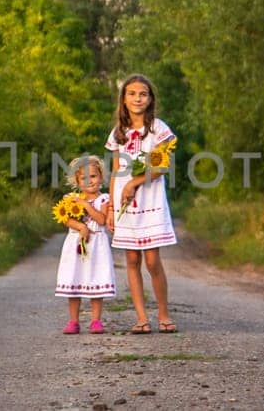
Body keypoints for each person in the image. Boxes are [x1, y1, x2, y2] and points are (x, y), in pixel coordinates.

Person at [106, 74, 179, 334]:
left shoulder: (158, 129)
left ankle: (164, 314)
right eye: (132, 94)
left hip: (149, 198)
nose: (138, 98)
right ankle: (141, 318)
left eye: (143, 94)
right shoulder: (118, 132)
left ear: (150, 100)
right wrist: (111, 209)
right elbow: (115, 171)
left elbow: (160, 166)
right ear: (123, 99)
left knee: (151, 261)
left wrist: (134, 182)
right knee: (132, 260)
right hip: (124, 202)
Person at [54, 156, 116, 334]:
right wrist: (81, 226)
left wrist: (85, 205)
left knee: (96, 279)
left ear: (101, 177)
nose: (90, 181)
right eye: (84, 178)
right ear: (77, 181)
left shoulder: (104, 199)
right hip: (76, 243)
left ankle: (96, 320)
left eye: (94, 176)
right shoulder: (71, 199)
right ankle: (73, 321)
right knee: (75, 279)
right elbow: (65, 219)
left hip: (97, 244)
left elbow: (102, 220)